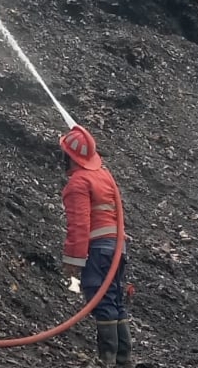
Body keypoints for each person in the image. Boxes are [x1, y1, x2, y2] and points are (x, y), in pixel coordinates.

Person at [60, 125, 132, 366]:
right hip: (117, 248)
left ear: (69, 156)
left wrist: (72, 260)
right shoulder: (104, 175)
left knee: (101, 300)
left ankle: (108, 360)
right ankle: (124, 360)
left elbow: (79, 225)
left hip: (99, 251)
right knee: (114, 301)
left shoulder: (78, 184)